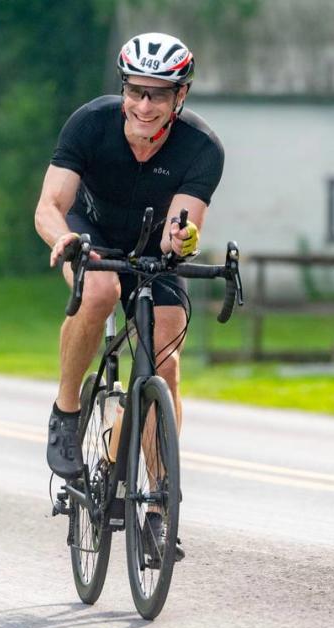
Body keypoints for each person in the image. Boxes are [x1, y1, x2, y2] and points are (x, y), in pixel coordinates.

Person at [35, 33, 224, 488]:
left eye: (157, 95)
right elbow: (50, 205)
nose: (144, 106)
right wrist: (65, 241)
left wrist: (182, 241)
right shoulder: (90, 124)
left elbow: (179, 232)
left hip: (152, 246)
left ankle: (160, 498)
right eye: (136, 91)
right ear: (123, 89)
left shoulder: (201, 148)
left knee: (165, 361)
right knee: (99, 290)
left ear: (180, 96)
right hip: (89, 231)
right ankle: (66, 411)